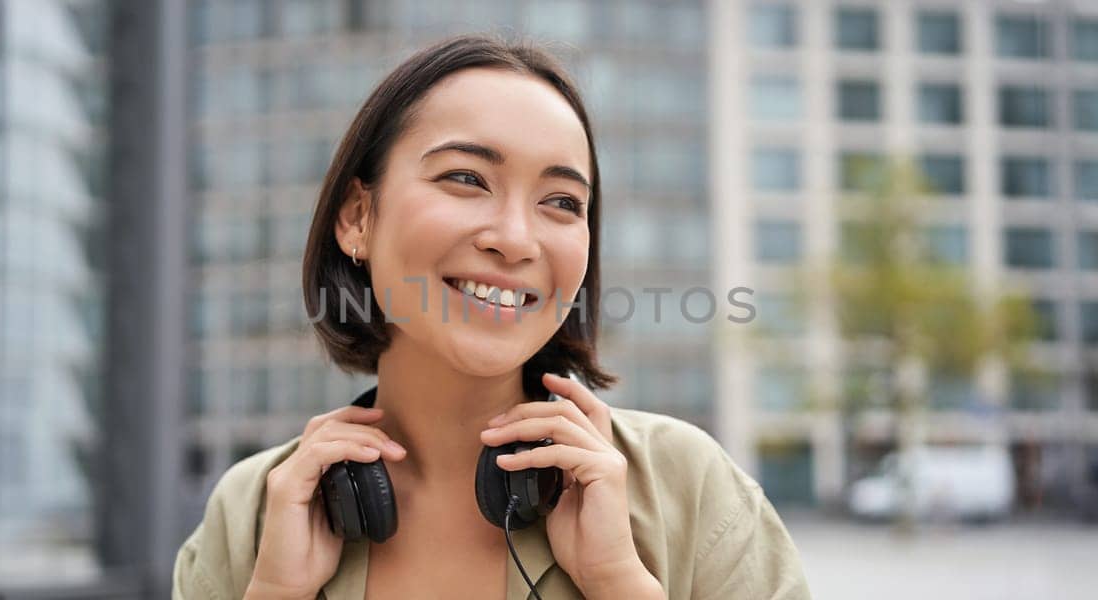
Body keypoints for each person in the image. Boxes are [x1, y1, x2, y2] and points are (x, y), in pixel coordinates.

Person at [170, 35, 812, 600]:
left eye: (562, 201)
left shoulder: (687, 489)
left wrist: (621, 584)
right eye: (467, 179)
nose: (516, 239)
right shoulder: (254, 509)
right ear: (357, 217)